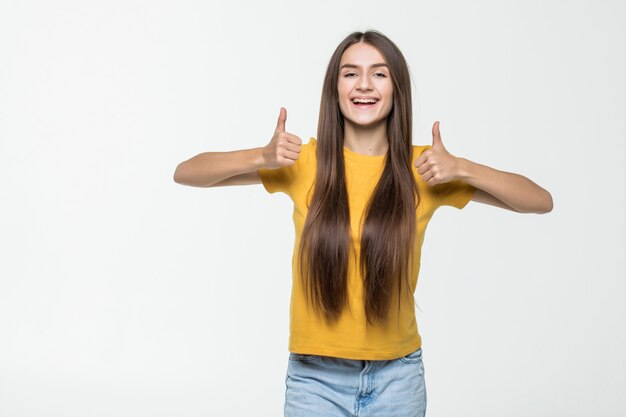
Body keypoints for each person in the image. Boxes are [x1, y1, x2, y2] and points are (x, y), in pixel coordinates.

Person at [173, 29, 553, 417]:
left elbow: (540, 201)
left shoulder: (425, 169)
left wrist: (462, 168)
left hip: (397, 379)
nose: (364, 85)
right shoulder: (304, 162)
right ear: (334, 88)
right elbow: (186, 172)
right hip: (314, 379)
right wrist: (261, 155)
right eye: (350, 73)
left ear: (396, 89)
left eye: (380, 74)